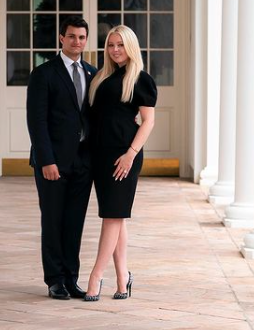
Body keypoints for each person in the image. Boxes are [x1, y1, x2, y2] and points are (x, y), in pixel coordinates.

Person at [84, 25, 157, 301]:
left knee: (112, 216)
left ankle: (95, 276)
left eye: (120, 45)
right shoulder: (101, 77)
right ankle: (123, 278)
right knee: (116, 216)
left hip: (124, 155)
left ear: (130, 47)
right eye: (111, 45)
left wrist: (130, 153)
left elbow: (148, 121)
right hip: (101, 155)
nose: (115, 50)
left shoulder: (141, 79)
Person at [26, 16, 97, 300]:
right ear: (61, 38)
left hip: (83, 162)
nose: (76, 42)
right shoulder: (44, 74)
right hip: (52, 162)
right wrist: (47, 161)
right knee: (53, 221)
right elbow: (36, 122)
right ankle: (54, 280)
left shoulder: (93, 73)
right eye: (71, 37)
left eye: (81, 37)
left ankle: (71, 278)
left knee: (74, 222)